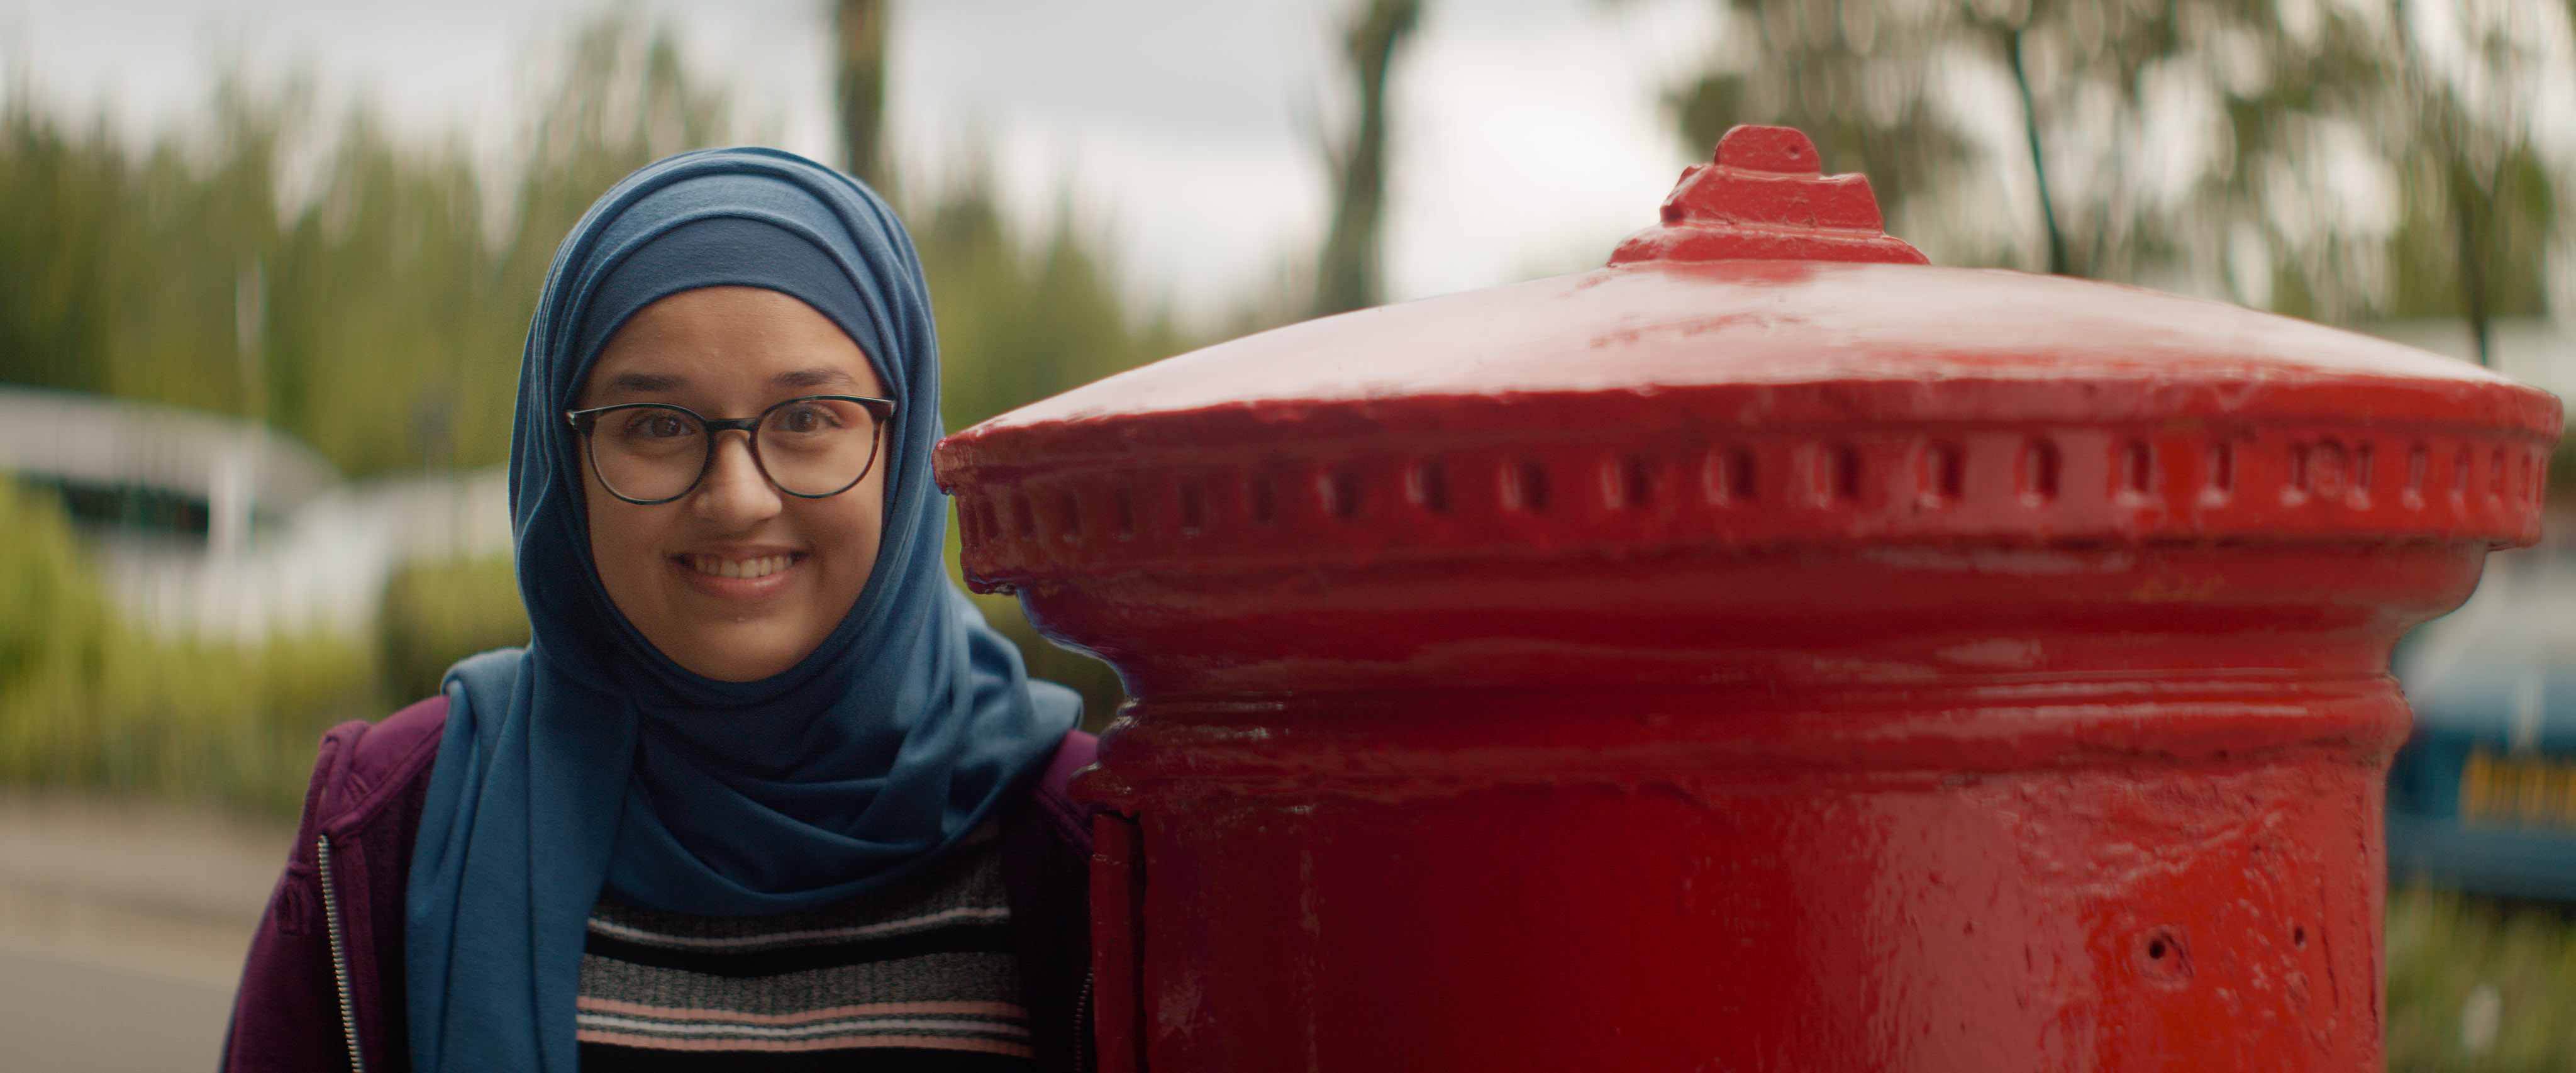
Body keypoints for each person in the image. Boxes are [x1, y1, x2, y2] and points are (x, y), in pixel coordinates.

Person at [221, 147, 1096, 1072]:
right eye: (658, 425)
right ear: (565, 465)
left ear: (904, 441)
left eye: (807, 418)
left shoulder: (1084, 841)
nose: (737, 498)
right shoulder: (397, 825)